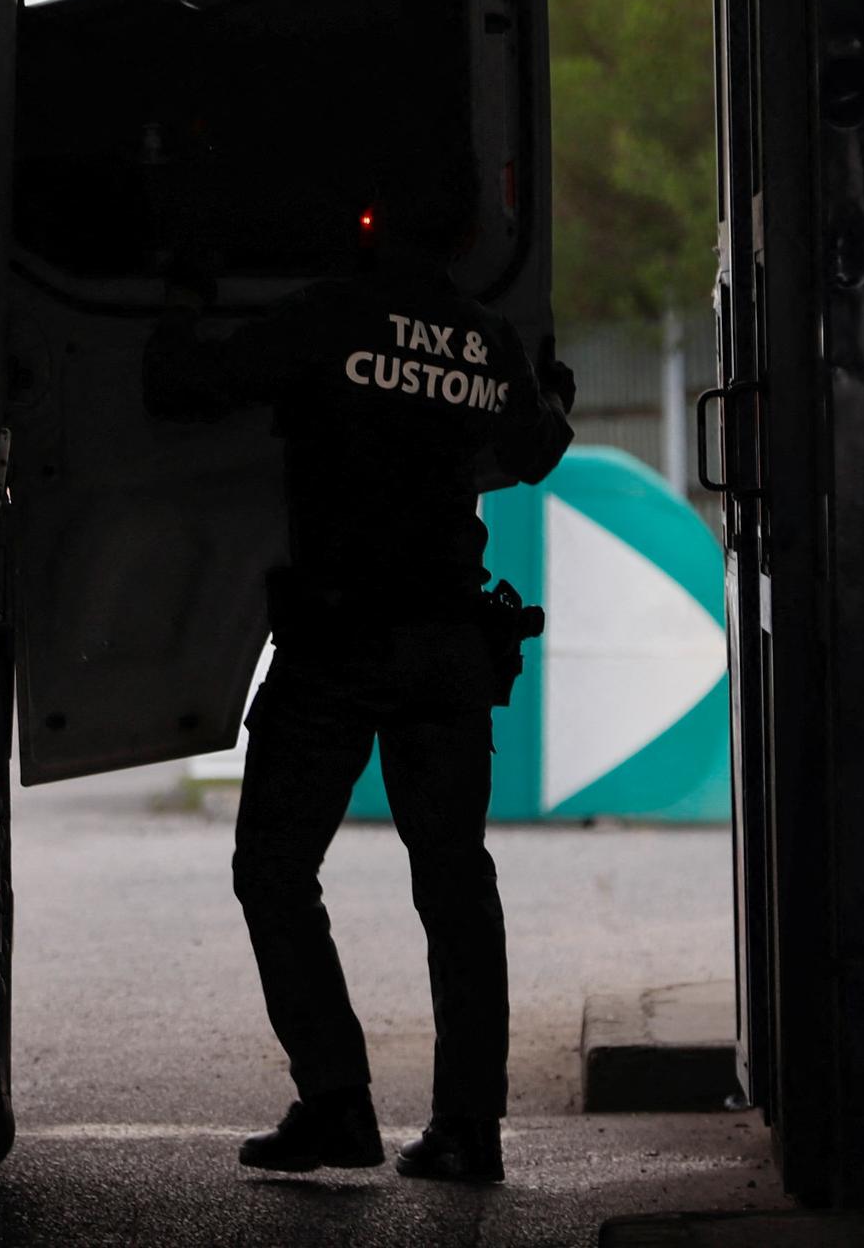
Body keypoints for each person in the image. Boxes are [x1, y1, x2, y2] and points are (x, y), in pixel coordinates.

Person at [141, 161, 575, 1187]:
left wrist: (183, 295)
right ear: (463, 240)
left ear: (370, 226)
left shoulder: (327, 315)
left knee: (274, 870)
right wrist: (550, 385)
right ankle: (467, 1128)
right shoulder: (484, 338)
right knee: (454, 882)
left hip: (336, 647)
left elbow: (182, 386)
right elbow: (537, 448)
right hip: (445, 647)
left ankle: (336, 1103)